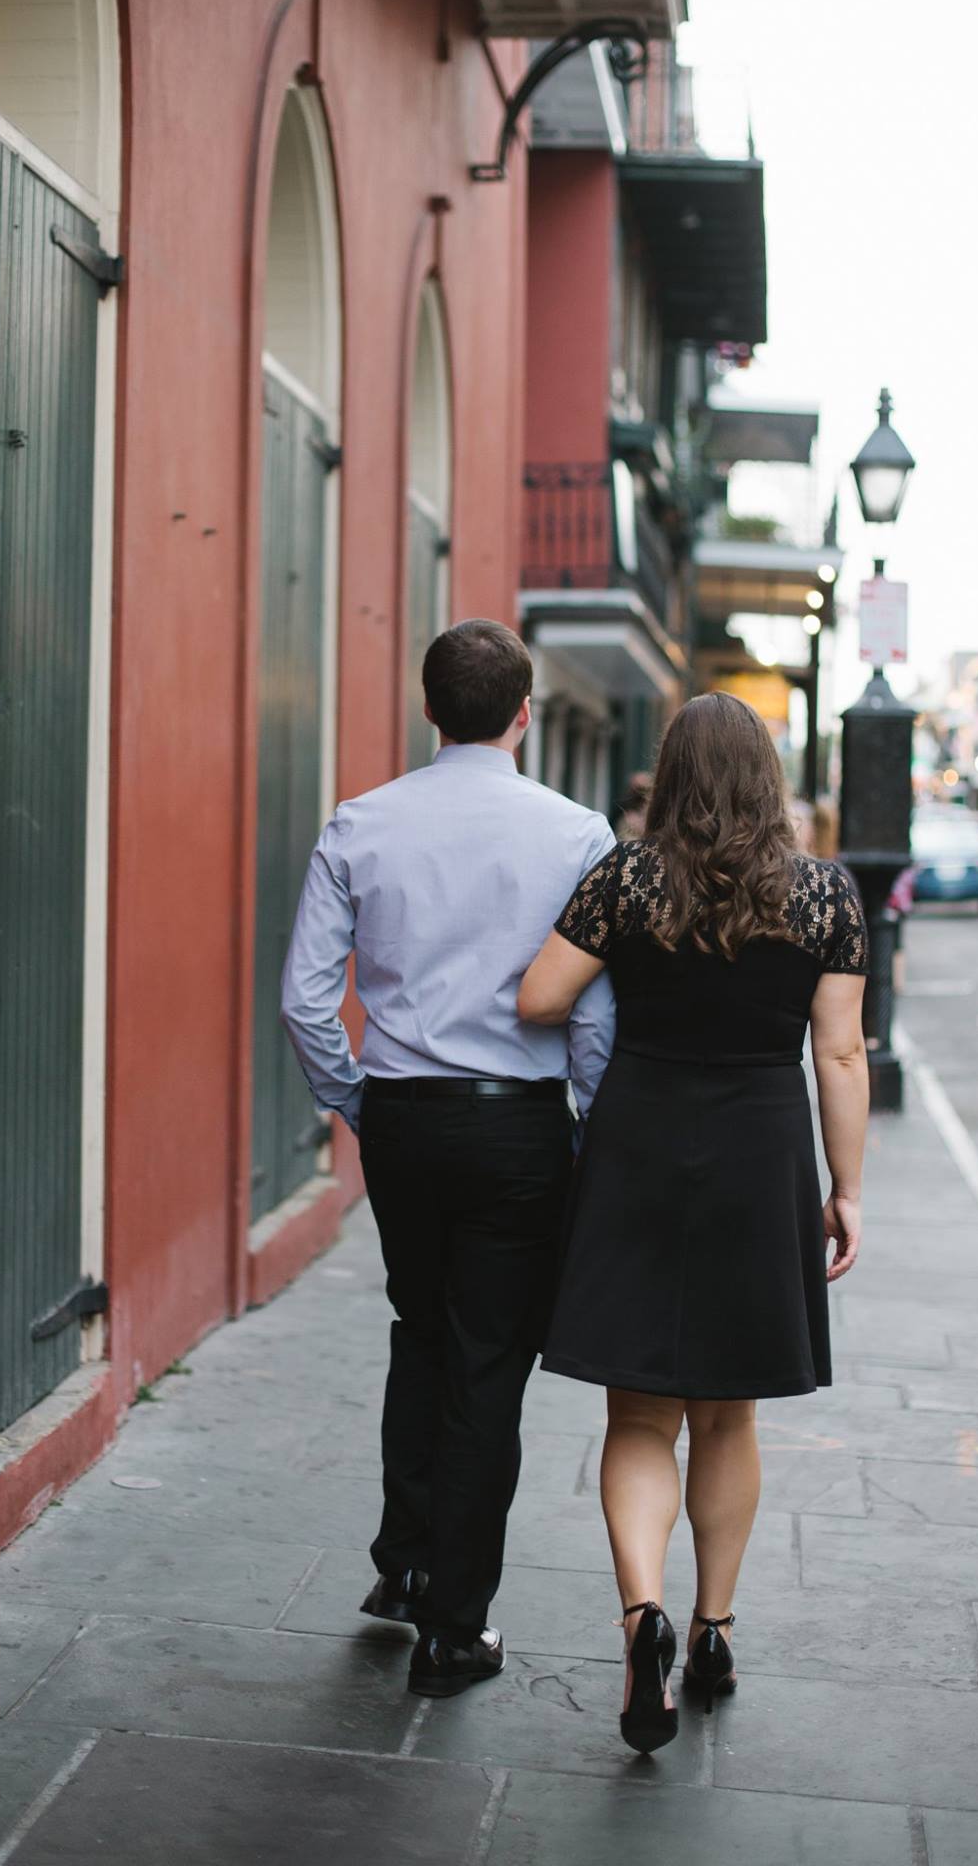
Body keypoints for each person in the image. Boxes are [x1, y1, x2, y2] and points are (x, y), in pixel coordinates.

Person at [518, 691, 869, 1754]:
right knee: (729, 1416)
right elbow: (841, 1055)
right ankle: (714, 1627)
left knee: (638, 1419)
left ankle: (644, 1617)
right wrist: (845, 1188)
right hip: (763, 1150)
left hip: (639, 1142)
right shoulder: (824, 895)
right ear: (767, 779)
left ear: (669, 776)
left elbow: (540, 996)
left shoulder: (627, 876)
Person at [280, 619, 615, 1699]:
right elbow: (595, 1017)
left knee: (421, 1329)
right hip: (519, 1125)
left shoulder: (361, 822)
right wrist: (591, 1122)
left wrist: (351, 1097)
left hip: (406, 1122)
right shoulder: (578, 833)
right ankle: (453, 1626)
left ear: (432, 710)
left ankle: (404, 1564)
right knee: (485, 1366)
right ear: (524, 713)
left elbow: (303, 997)